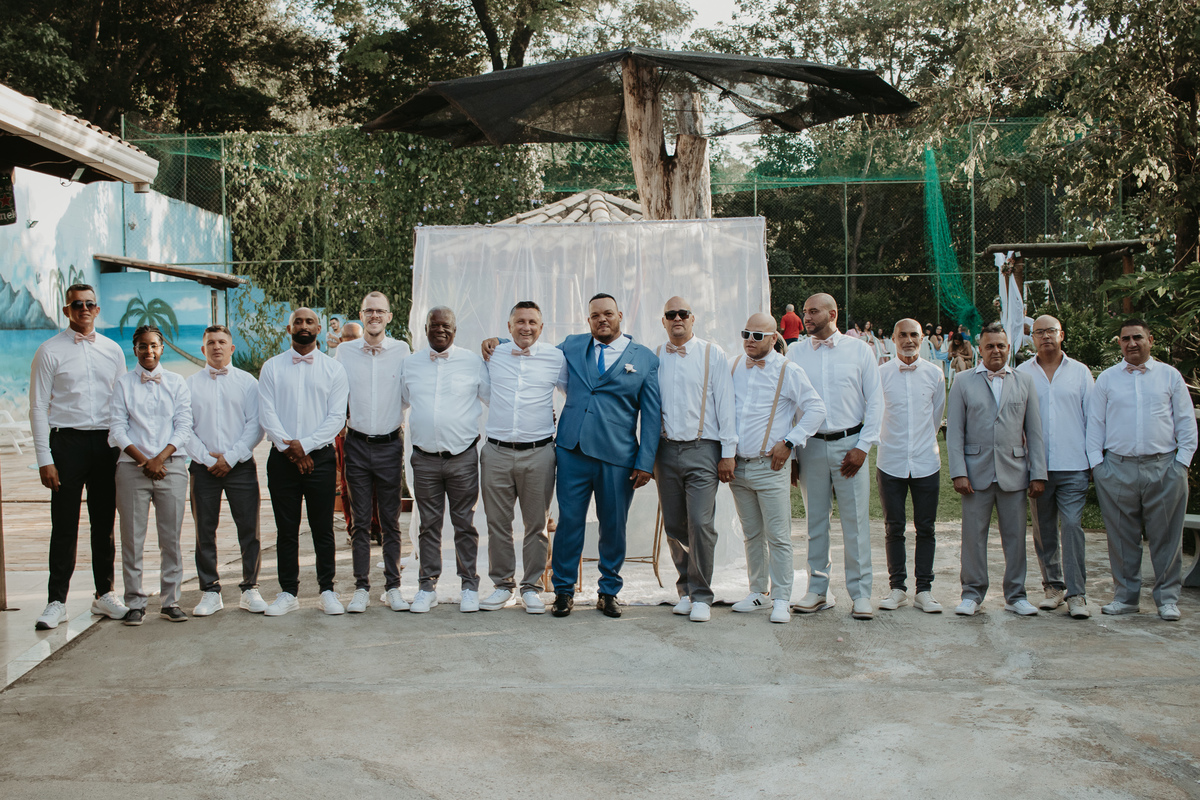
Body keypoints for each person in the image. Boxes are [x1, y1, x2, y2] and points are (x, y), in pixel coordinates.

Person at [484, 294, 661, 618]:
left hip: (618, 456)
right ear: (588, 319)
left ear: (620, 316)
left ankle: (609, 591)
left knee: (613, 526)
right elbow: (531, 345)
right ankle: (563, 591)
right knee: (568, 524)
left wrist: (645, 462)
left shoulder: (645, 358)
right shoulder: (572, 346)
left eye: (608, 314)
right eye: (595, 315)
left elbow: (652, 414)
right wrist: (500, 341)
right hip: (571, 451)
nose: (602, 319)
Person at [30, 283, 129, 630]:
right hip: (67, 443)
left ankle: (105, 594)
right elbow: (38, 407)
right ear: (66, 310)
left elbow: (123, 402)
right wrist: (44, 458)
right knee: (64, 524)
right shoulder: (49, 351)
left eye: (89, 304)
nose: (83, 309)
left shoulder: (113, 350)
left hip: (105, 443)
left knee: (104, 523)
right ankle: (56, 601)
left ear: (97, 309)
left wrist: (125, 449)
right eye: (77, 304)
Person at [1087, 319, 1197, 621]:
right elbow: (1095, 423)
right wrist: (1098, 465)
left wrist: (1181, 463)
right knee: (1122, 539)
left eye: (1138, 337)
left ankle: (1167, 600)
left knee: (1167, 537)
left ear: (1150, 340)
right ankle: (1126, 598)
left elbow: (1186, 421)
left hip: (1165, 467)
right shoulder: (1107, 379)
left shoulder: (1169, 376)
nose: (1132, 343)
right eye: (1125, 339)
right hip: (1117, 468)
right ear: (1120, 343)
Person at [788, 293, 882, 620]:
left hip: (850, 444)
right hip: (810, 446)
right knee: (815, 521)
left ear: (833, 314)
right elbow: (789, 405)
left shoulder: (860, 350)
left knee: (855, 522)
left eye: (813, 311)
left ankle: (861, 594)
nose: (806, 317)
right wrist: (793, 455)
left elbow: (876, 401)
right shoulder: (795, 352)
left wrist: (863, 446)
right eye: (804, 312)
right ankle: (817, 590)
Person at [729, 313, 825, 624]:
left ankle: (782, 596)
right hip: (738, 467)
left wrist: (790, 441)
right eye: (746, 333)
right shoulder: (734, 366)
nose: (750, 340)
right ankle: (758, 591)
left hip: (770, 466)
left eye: (757, 335)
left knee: (779, 535)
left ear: (773, 338)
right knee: (751, 533)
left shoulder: (788, 370)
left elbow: (816, 408)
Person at [947, 321, 1047, 616]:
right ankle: (972, 593)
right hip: (975, 473)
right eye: (989, 346)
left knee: (1015, 537)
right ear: (979, 349)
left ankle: (1016, 595)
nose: (996, 351)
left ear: (1009, 348)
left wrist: (1038, 473)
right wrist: (958, 472)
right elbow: (955, 432)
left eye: (1001, 345)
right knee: (973, 537)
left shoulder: (1025, 381)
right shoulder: (963, 382)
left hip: (1014, 471)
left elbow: (1035, 432)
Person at [258, 307, 350, 616]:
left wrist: (306, 447)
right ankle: (288, 592)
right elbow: (267, 413)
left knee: (322, 528)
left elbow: (336, 417)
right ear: (289, 329)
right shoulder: (271, 367)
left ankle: (327, 590)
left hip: (319, 458)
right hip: (282, 458)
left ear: (319, 328)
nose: (303, 325)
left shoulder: (334, 369)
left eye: (309, 321)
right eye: (297, 321)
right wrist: (291, 449)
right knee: (286, 529)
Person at [401, 306, 491, 613]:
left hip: (463, 457)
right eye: (434, 325)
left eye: (446, 325)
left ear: (455, 329)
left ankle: (469, 586)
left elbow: (493, 399)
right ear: (425, 328)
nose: (440, 329)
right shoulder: (410, 363)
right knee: (428, 525)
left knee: (464, 524)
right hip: (424, 459)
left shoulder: (473, 362)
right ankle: (427, 587)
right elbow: (402, 402)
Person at [654, 297, 737, 623]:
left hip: (703, 448)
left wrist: (728, 453)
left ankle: (702, 594)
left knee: (700, 523)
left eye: (683, 313)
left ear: (692, 318)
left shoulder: (712, 354)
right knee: (674, 524)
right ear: (664, 321)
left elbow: (725, 405)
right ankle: (685, 589)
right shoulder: (656, 356)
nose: (677, 318)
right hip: (665, 450)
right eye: (670, 314)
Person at [478, 301, 564, 614]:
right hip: (496, 452)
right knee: (498, 524)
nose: (526, 327)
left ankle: (532, 588)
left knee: (536, 525)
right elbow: (482, 391)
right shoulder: (493, 354)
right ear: (509, 326)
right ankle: (502, 586)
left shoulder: (555, 358)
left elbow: (574, 393)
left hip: (539, 453)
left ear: (541, 327)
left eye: (532, 322)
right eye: (520, 321)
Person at [108, 325, 193, 626]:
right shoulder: (123, 384)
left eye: (154, 345)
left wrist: (160, 458)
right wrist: (145, 460)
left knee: (171, 538)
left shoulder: (176, 382)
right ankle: (135, 602)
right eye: (143, 346)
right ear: (135, 349)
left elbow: (184, 425)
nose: (149, 351)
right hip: (132, 468)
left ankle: (170, 601)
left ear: (162, 348)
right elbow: (117, 428)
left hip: (171, 467)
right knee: (132, 538)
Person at [1015, 314, 1095, 618]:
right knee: (1044, 529)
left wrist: (1093, 460)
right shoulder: (1023, 373)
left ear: (1062, 335)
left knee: (1072, 526)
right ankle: (1053, 587)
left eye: (1051, 331)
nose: (1046, 336)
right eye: (1039, 332)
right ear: (1032, 338)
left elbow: (1092, 419)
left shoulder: (1080, 372)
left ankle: (1077, 594)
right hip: (1038, 467)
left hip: (1074, 464)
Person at [336, 292, 411, 613]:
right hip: (356, 444)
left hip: (390, 445)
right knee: (360, 521)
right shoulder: (344, 351)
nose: (375, 315)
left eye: (381, 311)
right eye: (369, 310)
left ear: (389, 316)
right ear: (361, 315)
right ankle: (361, 588)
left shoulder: (402, 350)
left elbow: (406, 395)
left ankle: (393, 587)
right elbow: (337, 393)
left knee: (391, 521)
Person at [185, 325, 266, 617]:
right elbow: (184, 427)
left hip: (240, 466)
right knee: (204, 530)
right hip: (203, 467)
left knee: (249, 529)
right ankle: (210, 590)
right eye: (211, 342)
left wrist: (230, 458)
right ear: (203, 349)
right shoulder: (189, 385)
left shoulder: (248, 383)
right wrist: (207, 459)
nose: (216, 347)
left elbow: (256, 425)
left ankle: (250, 588)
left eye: (222, 342)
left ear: (231, 348)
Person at [876, 319, 946, 613]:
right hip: (890, 461)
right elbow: (875, 414)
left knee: (926, 527)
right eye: (902, 335)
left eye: (914, 335)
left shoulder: (935, 374)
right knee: (894, 527)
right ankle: (897, 588)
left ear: (922, 338)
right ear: (893, 339)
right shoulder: (880, 375)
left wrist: (920, 444)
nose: (908, 340)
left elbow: (936, 416)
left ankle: (924, 590)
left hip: (925, 461)